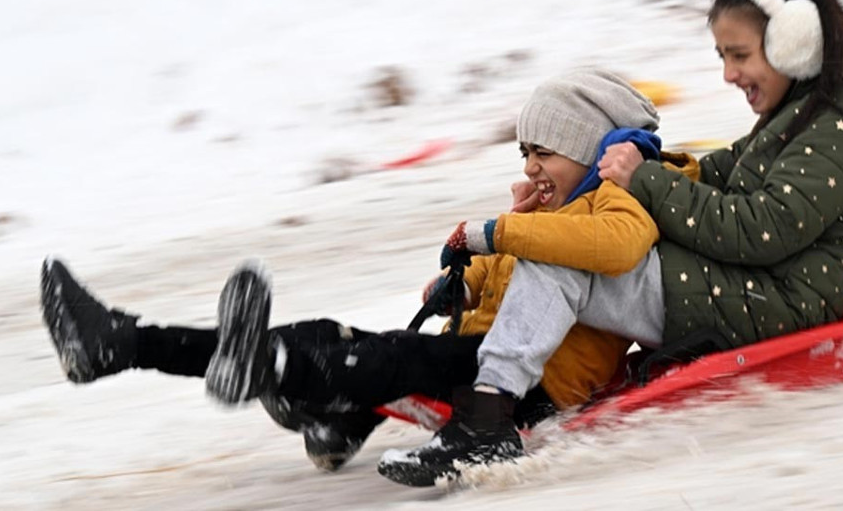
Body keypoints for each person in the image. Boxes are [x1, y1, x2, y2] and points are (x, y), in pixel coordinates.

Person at [378, 0, 843, 487]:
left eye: (738, 55)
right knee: (580, 243)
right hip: (755, 285)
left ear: (793, 44)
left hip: (775, 300)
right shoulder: (812, 113)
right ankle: (497, 388)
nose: (728, 74)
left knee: (562, 257)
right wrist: (655, 168)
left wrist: (652, 184)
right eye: (721, 56)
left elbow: (763, 229)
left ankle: (488, 419)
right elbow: (730, 171)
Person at [39, 68, 690, 472]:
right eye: (523, 155)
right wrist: (469, 277)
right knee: (335, 336)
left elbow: (605, 253)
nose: (528, 169)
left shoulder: (612, 203)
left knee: (373, 357)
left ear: (587, 147)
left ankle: (280, 376)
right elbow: (511, 291)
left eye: (541, 152)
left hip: (533, 383)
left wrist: (504, 230)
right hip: (482, 351)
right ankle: (124, 343)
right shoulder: (549, 216)